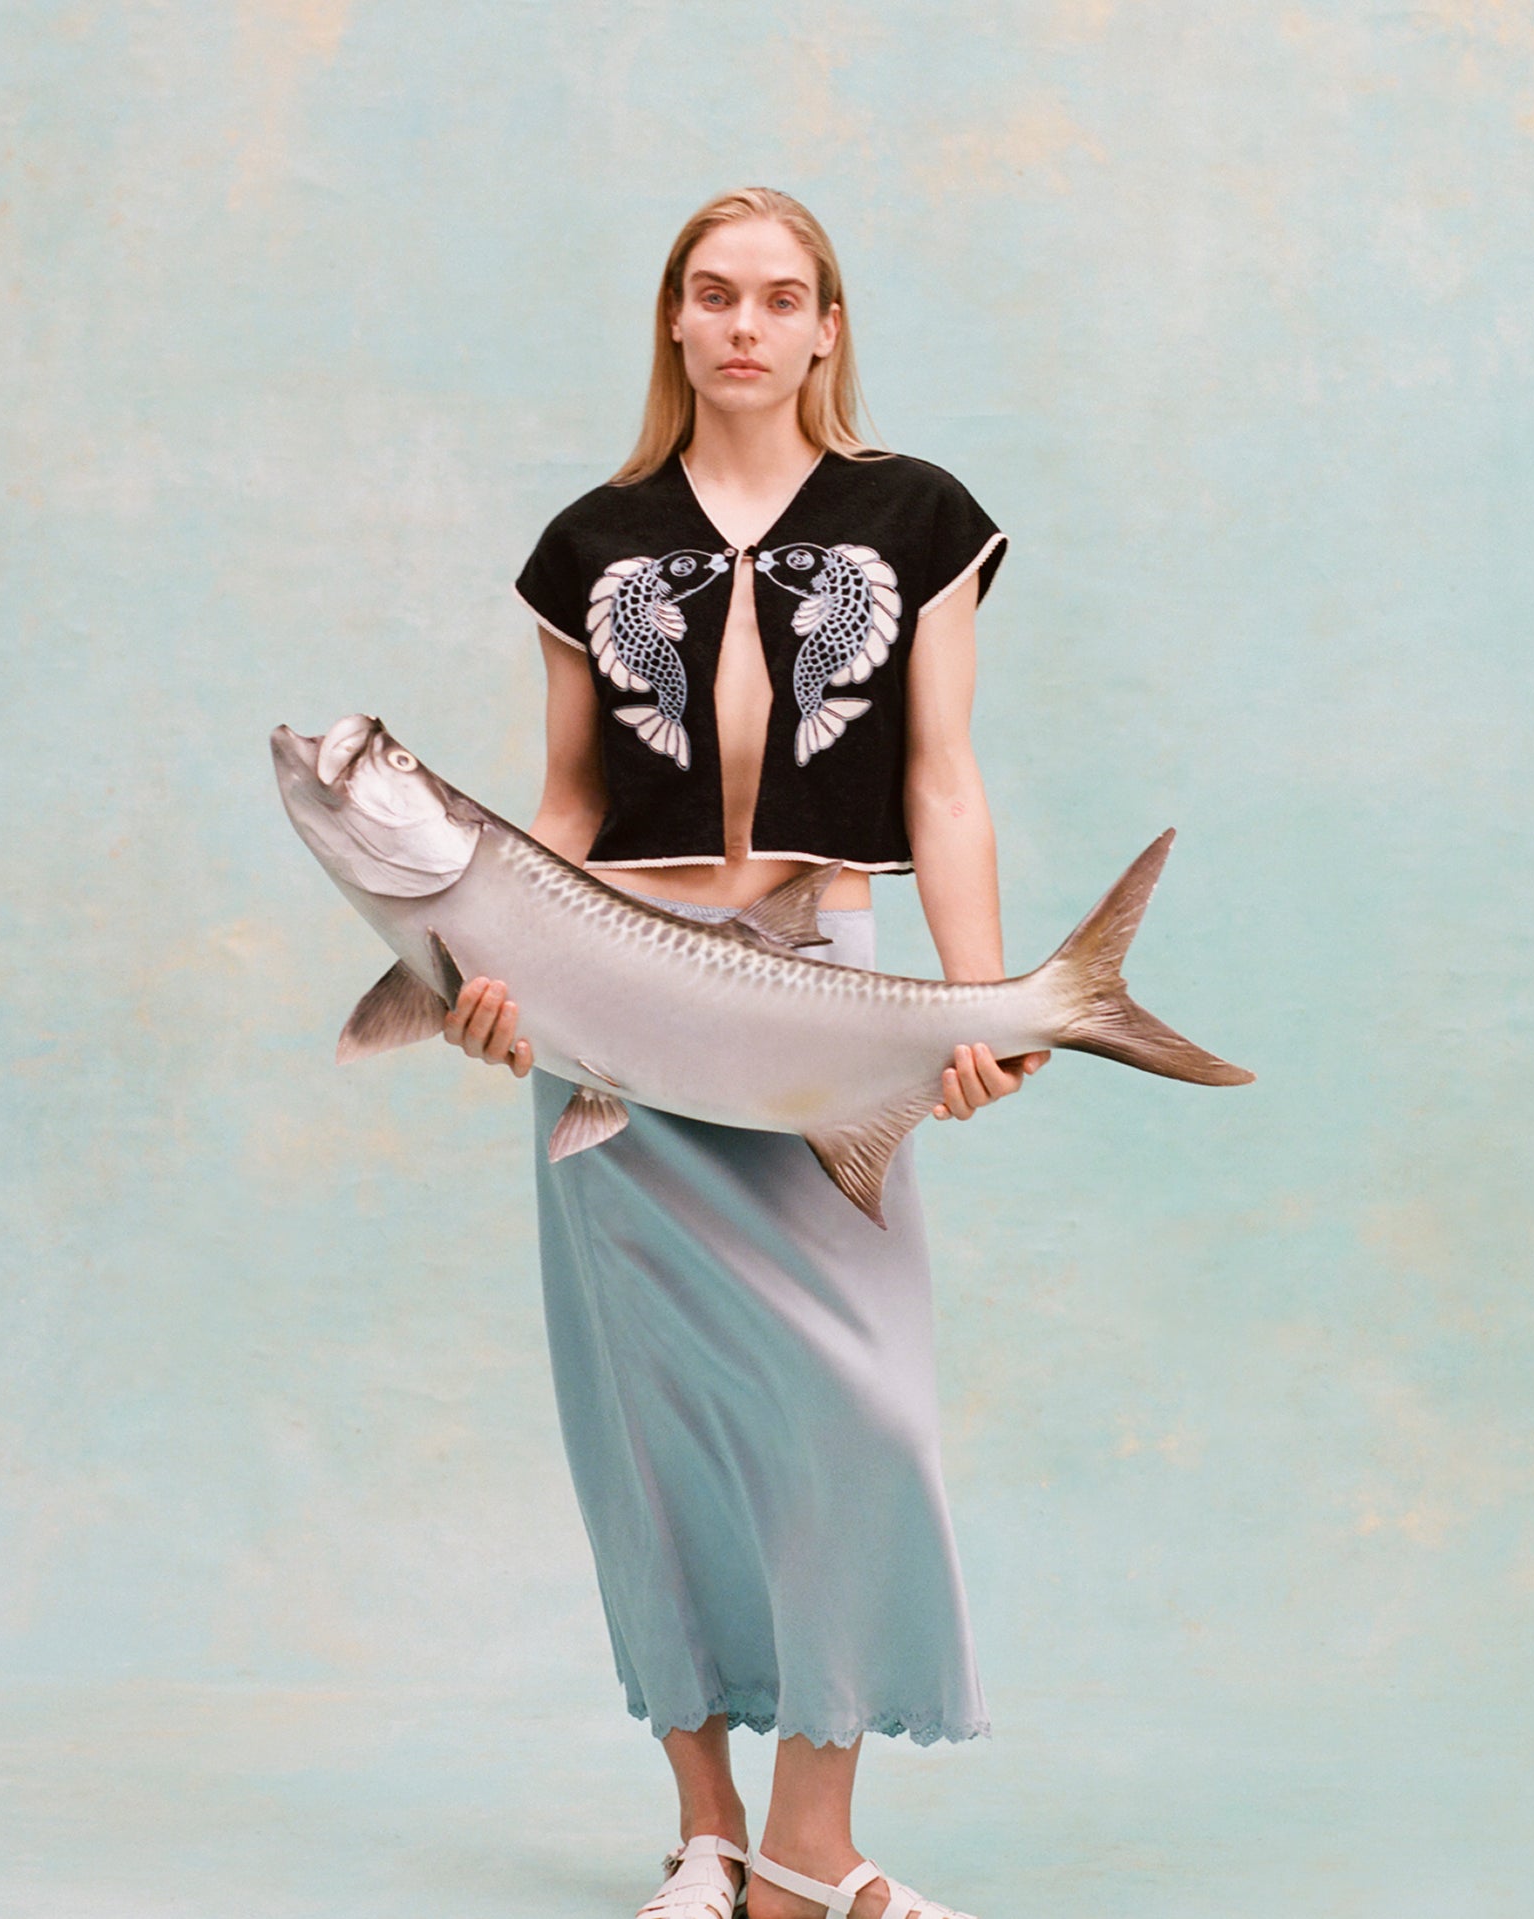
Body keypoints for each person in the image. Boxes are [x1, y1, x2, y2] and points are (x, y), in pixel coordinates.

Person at [443, 187, 1043, 1919]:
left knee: (859, 1415)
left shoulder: (918, 520)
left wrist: (982, 1000)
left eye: (783, 298)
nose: (746, 326)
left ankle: (815, 1839)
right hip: (614, 994)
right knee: (654, 1429)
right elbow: (560, 807)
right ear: (676, 324)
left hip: (820, 996)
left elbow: (940, 782)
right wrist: (496, 980)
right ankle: (713, 1830)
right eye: (713, 297)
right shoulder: (589, 540)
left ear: (827, 327)